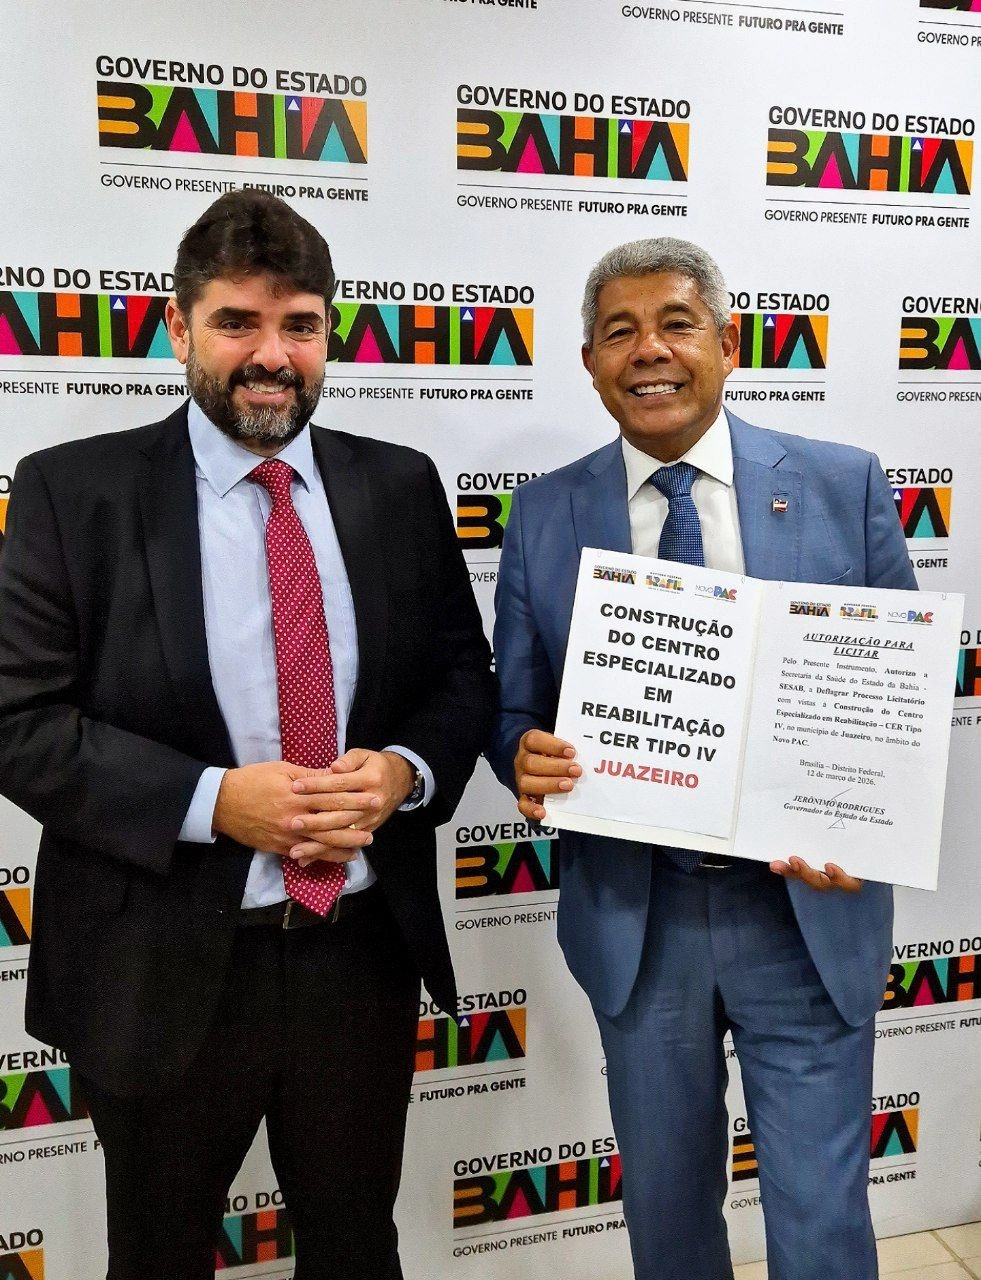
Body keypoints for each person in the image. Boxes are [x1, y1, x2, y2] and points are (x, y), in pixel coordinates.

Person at [0, 190, 494, 1280]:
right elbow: (20, 721)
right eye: (238, 322)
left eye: (300, 325)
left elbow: (462, 677)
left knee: (357, 1246)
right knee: (159, 1255)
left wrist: (403, 772)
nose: (272, 355)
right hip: (159, 962)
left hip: (356, 954)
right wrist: (215, 801)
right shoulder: (72, 491)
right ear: (179, 330)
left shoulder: (399, 484)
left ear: (330, 335)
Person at [488, 237, 914, 1280]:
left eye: (676, 324)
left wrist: (860, 822)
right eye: (619, 332)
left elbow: (894, 699)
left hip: (803, 913)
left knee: (821, 1219)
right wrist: (521, 757)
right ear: (589, 363)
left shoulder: (842, 483)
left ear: (727, 345)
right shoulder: (542, 512)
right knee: (668, 1214)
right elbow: (515, 709)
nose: (649, 351)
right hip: (641, 921)